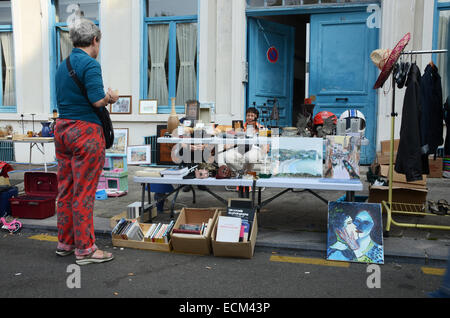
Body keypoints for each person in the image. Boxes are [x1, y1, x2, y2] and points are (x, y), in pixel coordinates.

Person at [54, 18, 118, 265]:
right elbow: (96, 100)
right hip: (85, 133)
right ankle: (86, 250)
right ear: (95, 40)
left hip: (62, 130)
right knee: (85, 192)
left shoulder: (63, 65)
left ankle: (65, 243)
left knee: (67, 190)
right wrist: (111, 97)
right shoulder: (91, 64)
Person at [219, 107, 268, 171]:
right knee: (227, 156)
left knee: (249, 157)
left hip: (255, 149)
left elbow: (265, 145)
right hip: (240, 149)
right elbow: (229, 136)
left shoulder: (262, 128)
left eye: (252, 116)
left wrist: (263, 154)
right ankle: (241, 171)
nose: (250, 117)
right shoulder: (240, 127)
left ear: (256, 117)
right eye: (248, 115)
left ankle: (245, 172)